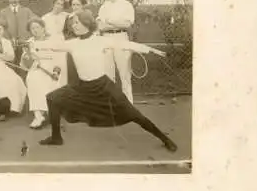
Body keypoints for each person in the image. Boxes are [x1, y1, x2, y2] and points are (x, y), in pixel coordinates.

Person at [35, 10, 178, 152]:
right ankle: (56, 138)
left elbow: (126, 45)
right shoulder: (72, 44)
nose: (74, 26)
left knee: (134, 115)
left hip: (103, 87)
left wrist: (150, 49)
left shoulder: (100, 40)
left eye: (77, 22)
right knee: (52, 98)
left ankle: (165, 139)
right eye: (73, 23)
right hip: (82, 87)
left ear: (87, 23)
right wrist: (32, 45)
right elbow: (52, 46)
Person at [97, 0, 136, 103]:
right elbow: (100, 26)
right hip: (106, 39)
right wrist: (115, 24)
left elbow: (127, 24)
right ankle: (112, 104)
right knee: (108, 73)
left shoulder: (126, 5)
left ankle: (129, 105)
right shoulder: (104, 6)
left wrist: (109, 21)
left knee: (124, 72)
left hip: (121, 38)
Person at [22, 18, 65, 129]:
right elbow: (25, 62)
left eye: (37, 27)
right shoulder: (29, 43)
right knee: (32, 79)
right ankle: (38, 115)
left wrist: (56, 72)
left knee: (50, 83)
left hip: (51, 69)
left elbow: (59, 59)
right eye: (32, 28)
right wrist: (30, 62)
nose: (35, 30)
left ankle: (48, 112)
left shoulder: (51, 41)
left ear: (43, 28)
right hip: (36, 69)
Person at [0, 20, 27, 114]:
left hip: (3, 66)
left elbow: (11, 57)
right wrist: (3, 56)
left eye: (0, 29)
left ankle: (12, 107)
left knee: (15, 80)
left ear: (4, 30)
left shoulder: (6, 42)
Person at [0, 0, 37, 67]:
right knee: (11, 67)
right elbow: (1, 28)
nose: (14, 0)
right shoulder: (3, 12)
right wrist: (9, 39)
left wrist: (27, 39)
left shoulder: (27, 11)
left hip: (25, 46)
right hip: (10, 46)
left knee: (24, 67)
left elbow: (34, 25)